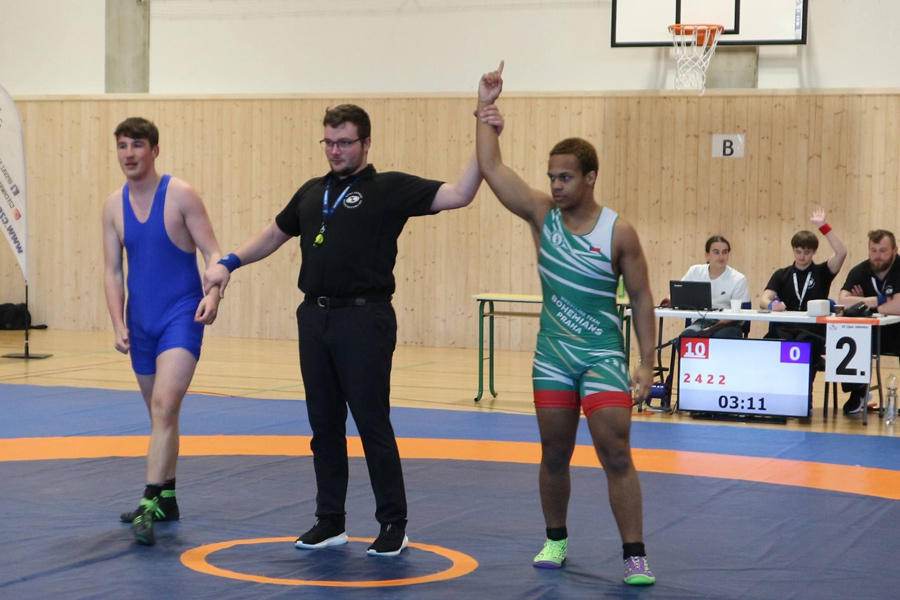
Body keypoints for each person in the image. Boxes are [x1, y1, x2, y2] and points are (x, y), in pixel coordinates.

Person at [203, 104, 484, 557]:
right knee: (324, 425)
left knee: (371, 422)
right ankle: (330, 520)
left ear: (366, 143)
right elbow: (273, 234)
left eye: (344, 143)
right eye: (329, 142)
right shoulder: (312, 192)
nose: (335, 151)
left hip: (364, 318)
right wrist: (228, 263)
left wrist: (484, 128)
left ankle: (393, 523)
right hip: (315, 317)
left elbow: (460, 193)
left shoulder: (387, 188)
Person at [476, 62, 657, 586]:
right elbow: (491, 167)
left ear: (590, 178)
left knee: (615, 453)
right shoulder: (541, 215)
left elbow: (642, 297)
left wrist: (647, 363)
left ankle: (635, 555)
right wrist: (485, 106)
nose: (555, 185)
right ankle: (555, 538)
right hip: (553, 356)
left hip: (602, 355)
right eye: (551, 177)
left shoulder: (618, 231)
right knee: (554, 453)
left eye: (565, 177)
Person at [102, 117, 223, 545]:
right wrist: (117, 321)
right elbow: (113, 271)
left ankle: (149, 501)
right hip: (141, 321)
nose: (129, 154)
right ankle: (168, 497)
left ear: (154, 150)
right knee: (159, 414)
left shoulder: (181, 194)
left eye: (137, 145)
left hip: (181, 315)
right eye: (122, 146)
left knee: (165, 406)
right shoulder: (113, 206)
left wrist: (214, 294)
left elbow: (213, 253)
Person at [760, 208, 847, 387]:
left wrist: (824, 226)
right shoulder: (781, 274)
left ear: (814, 252)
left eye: (806, 253)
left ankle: (804, 392)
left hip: (812, 330)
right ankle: (774, 390)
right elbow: (764, 298)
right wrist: (770, 306)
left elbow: (841, 253)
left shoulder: (823, 272)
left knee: (805, 346)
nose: (801, 256)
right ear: (793, 250)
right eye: (798, 252)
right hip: (786, 328)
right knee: (768, 345)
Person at [838, 230, 900, 414]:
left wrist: (865, 305)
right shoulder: (860, 271)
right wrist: (883, 301)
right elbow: (843, 302)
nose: (877, 256)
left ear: (895, 250)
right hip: (870, 332)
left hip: (897, 331)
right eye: (873, 250)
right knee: (848, 334)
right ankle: (858, 392)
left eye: (883, 250)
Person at [662, 235, 750, 338]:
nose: (721, 257)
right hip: (701, 321)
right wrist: (669, 299)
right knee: (686, 337)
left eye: (725, 252)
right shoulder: (695, 271)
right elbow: (680, 292)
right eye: (716, 252)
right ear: (707, 255)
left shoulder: (738, 279)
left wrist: (711, 330)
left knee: (720, 337)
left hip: (728, 324)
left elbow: (737, 316)